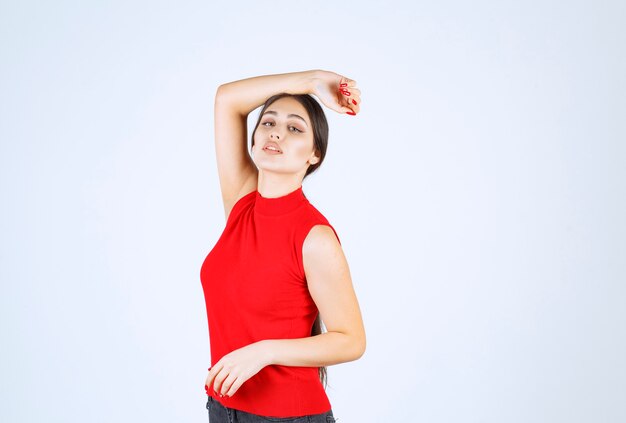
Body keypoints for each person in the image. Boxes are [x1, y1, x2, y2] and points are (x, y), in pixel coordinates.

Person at [200, 69, 366, 423]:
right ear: (255, 137)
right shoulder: (242, 205)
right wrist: (313, 81)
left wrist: (264, 352)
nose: (276, 131)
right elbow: (227, 99)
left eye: (295, 128)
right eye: (268, 122)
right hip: (223, 410)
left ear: (314, 155)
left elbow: (352, 340)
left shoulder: (315, 237)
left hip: (288, 417)